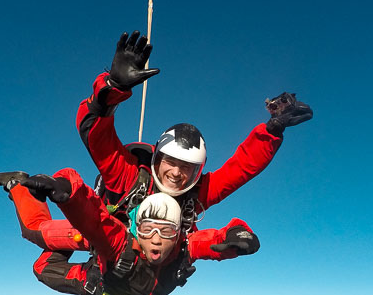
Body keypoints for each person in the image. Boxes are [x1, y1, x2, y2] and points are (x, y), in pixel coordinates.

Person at [76, 31, 314, 234]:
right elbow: (95, 135)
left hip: (152, 278)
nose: (177, 173)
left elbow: (241, 169)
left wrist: (272, 131)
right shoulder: (127, 177)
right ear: (157, 159)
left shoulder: (193, 197)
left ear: (197, 172)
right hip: (109, 262)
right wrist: (112, 89)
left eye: (188, 167)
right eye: (171, 161)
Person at [0, 168, 259, 295]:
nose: (156, 237)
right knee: (41, 234)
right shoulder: (128, 243)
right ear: (137, 229)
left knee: (42, 258)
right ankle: (18, 186)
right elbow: (95, 220)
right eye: (149, 229)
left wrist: (232, 239)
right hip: (102, 254)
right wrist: (69, 194)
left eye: (165, 231)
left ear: (175, 234)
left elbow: (203, 242)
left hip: (101, 270)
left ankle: (19, 187)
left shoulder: (167, 246)